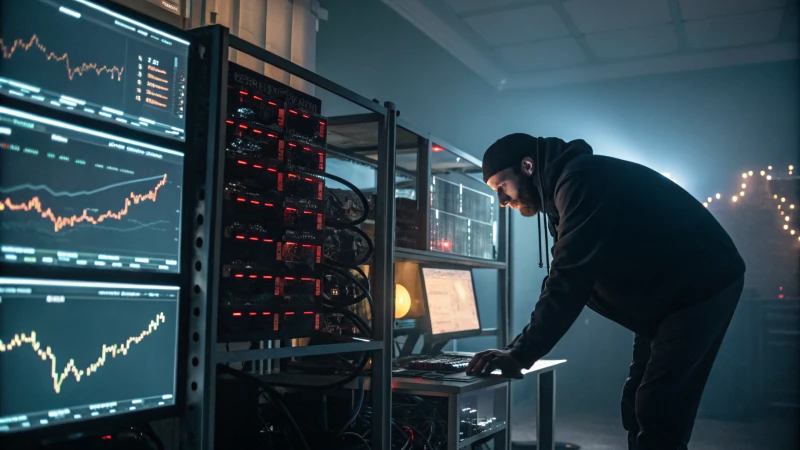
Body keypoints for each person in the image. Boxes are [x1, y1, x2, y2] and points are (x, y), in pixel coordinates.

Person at [466, 134, 745, 450]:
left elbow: (570, 278)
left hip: (702, 287)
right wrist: (518, 348)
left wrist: (521, 353)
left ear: (527, 166)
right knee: (638, 398)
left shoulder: (581, 180)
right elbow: (565, 275)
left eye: (501, 187)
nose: (502, 201)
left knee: (659, 405)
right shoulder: (566, 191)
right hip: (667, 297)